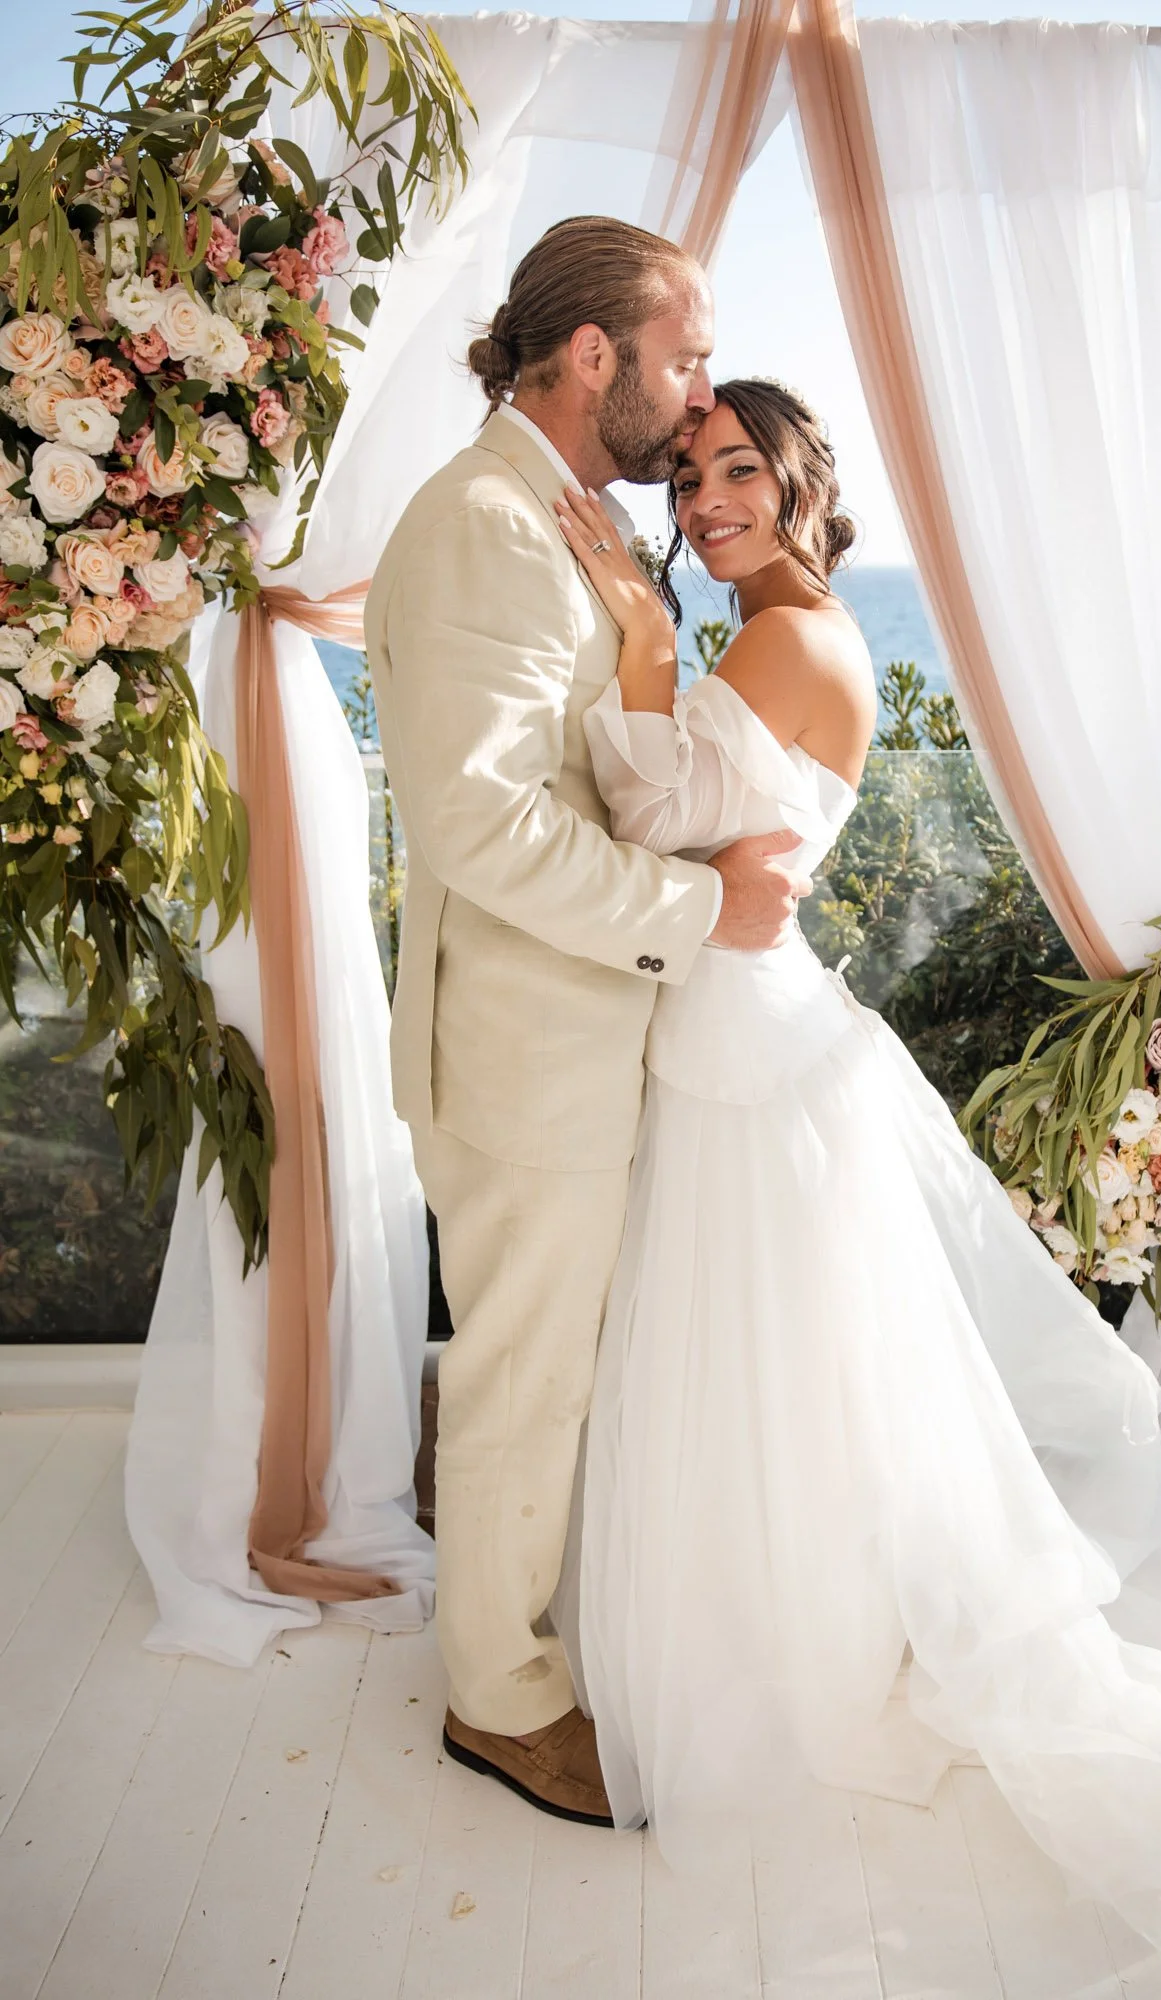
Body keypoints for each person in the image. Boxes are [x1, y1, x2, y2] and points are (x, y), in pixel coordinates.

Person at [553, 377, 1161, 1976]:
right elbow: (698, 837)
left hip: (744, 1051)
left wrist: (636, 643)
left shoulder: (779, 640)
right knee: (783, 1372)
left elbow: (638, 802)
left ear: (800, 484)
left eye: (738, 472)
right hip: (740, 1026)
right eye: (688, 476)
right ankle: (779, 1611)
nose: (706, 503)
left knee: (759, 1359)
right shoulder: (791, 635)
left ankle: (778, 1643)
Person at [363, 221, 810, 1826]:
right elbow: (482, 826)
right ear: (598, 354)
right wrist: (705, 911)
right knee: (526, 1383)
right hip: (521, 1051)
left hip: (565, 1036)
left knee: (537, 1365)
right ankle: (500, 1697)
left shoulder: (551, 524)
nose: (699, 404)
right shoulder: (488, 525)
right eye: (687, 359)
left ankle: (499, 1571)